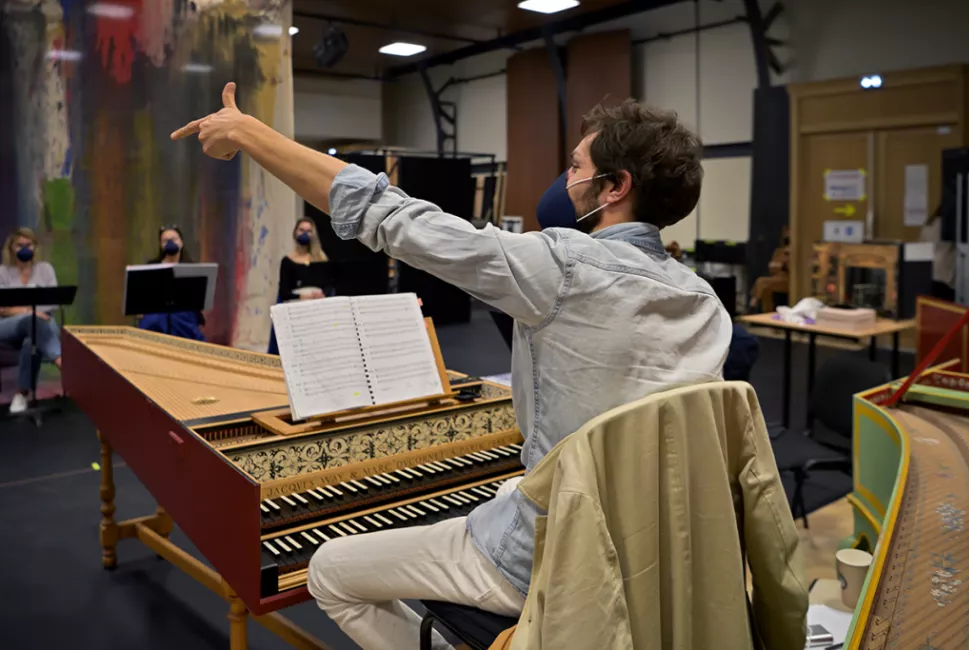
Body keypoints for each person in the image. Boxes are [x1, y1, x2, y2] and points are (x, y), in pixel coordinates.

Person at [173, 83, 732, 650]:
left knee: (330, 572)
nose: (566, 180)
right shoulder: (705, 303)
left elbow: (389, 215)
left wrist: (248, 131)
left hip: (544, 556)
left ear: (614, 187)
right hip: (655, 555)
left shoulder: (562, 267)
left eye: (576, 166)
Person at [0, 227, 62, 414]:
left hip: (41, 324)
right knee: (32, 321)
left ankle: (22, 393)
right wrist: (29, 312)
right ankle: (62, 362)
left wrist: (25, 312)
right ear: (11, 248)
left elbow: (53, 303)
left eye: (29, 245)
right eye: (20, 245)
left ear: (35, 247)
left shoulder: (45, 269)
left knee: (31, 341)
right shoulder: (2, 272)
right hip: (8, 326)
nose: (25, 249)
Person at [268, 218, 332, 354]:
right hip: (296, 307)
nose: (304, 234)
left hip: (318, 308)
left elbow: (329, 285)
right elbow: (284, 292)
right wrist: (305, 297)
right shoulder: (287, 261)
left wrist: (322, 294)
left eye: (308, 231)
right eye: (301, 230)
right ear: (295, 233)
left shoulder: (321, 259)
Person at [137, 226, 206, 341]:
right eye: (165, 240)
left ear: (181, 243)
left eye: (174, 239)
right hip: (156, 319)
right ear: (161, 245)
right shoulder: (151, 267)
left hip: (184, 320)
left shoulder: (192, 268)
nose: (170, 243)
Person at [919, 203, 956, 302]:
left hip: (929, 270)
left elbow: (921, 245)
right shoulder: (949, 225)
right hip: (945, 273)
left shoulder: (929, 223)